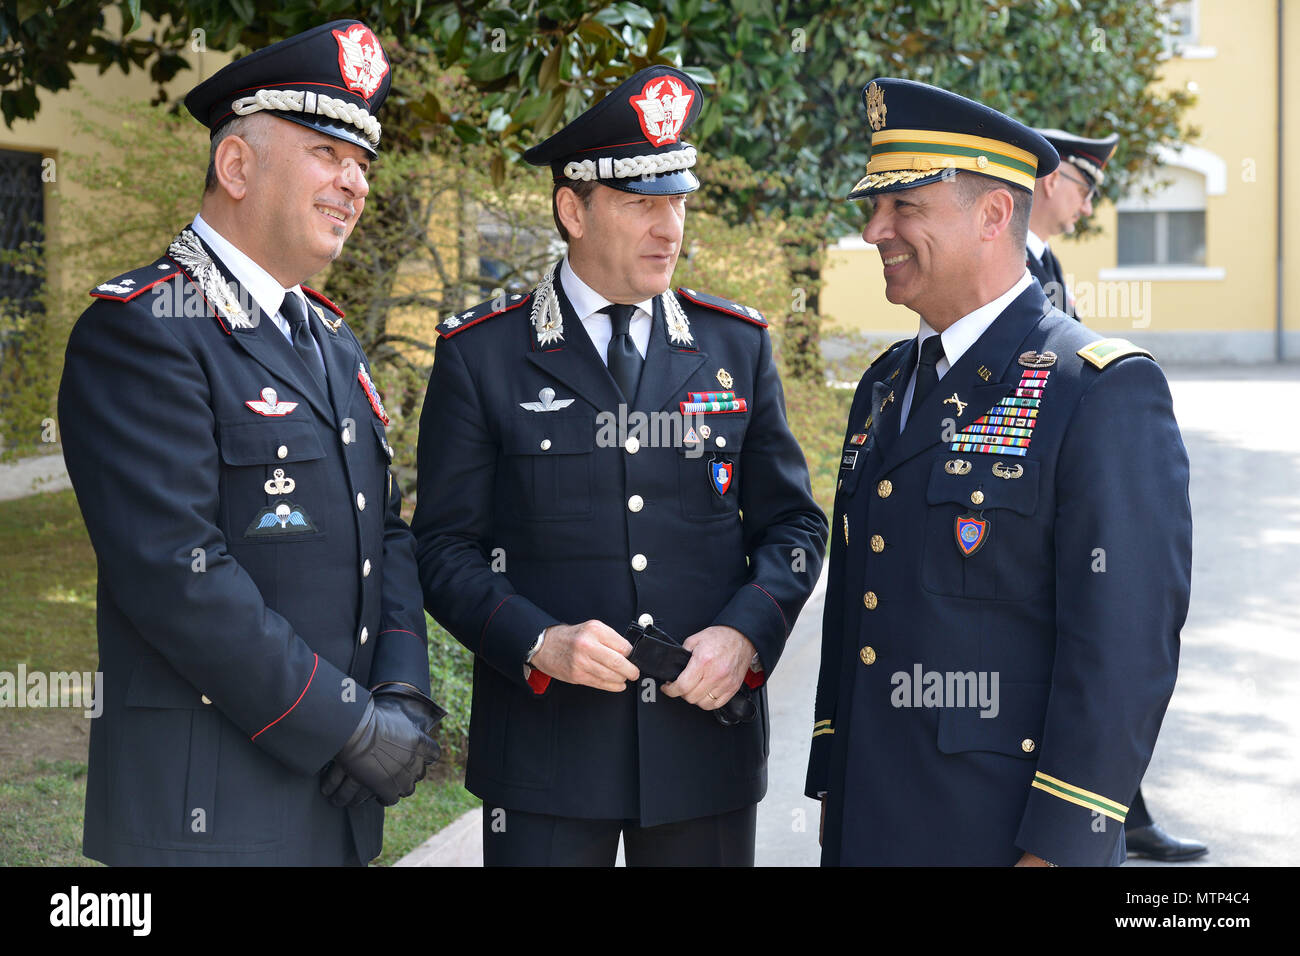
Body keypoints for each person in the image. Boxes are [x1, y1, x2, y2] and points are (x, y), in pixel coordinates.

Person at [412, 65, 828, 866]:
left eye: (678, 201)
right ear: (574, 209)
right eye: (642, 203)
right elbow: (443, 549)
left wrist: (746, 636)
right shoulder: (482, 355)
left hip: (700, 750)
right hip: (545, 756)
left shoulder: (735, 347)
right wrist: (537, 641)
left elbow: (794, 526)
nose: (669, 228)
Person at [58, 20, 441, 866]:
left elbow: (387, 533)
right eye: (325, 153)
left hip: (333, 802)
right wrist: (345, 725)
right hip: (210, 807)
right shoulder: (147, 329)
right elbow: (174, 572)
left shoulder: (330, 339)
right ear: (237, 167)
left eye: (363, 164)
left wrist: (402, 691)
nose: (353, 184)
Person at [806, 78, 1192, 866]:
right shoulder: (886, 385)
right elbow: (858, 609)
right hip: (871, 817)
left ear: (991, 216)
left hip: (1001, 836)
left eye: (904, 206)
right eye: (873, 206)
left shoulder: (1098, 389)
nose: (875, 228)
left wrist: (1062, 847)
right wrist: (833, 783)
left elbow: (1123, 649)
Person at [1031, 126, 1208, 861]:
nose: (1085, 206)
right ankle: (1104, 814)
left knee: (1102, 640)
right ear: (1047, 181)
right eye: (1083, 187)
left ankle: (1115, 812)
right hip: (1018, 491)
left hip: (1059, 476)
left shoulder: (1052, 264)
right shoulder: (996, 266)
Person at [1025, 129, 1118, 319]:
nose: (1087, 210)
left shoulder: (1046, 259)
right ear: (1051, 181)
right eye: (1084, 193)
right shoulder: (1008, 264)